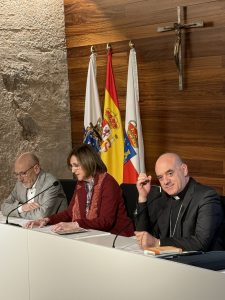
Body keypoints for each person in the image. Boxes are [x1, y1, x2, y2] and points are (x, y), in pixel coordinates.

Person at [25, 144, 134, 236]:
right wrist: (45, 220)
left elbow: (105, 221)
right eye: (71, 166)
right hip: (91, 235)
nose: (73, 170)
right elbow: (69, 213)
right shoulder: (81, 184)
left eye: (76, 165)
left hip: (117, 237)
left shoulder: (108, 183)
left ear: (88, 162)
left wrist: (75, 224)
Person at [135, 153, 225, 251]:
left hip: (202, 262)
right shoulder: (163, 198)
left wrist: (158, 243)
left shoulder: (206, 196)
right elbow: (145, 238)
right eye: (160, 177)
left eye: (170, 173)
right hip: (170, 259)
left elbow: (201, 243)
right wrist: (142, 197)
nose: (165, 182)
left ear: (184, 170)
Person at [1, 152, 67, 219]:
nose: (20, 179)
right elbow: (3, 207)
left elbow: (42, 215)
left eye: (23, 173)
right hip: (25, 225)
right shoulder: (19, 184)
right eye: (17, 174)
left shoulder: (51, 184)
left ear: (36, 169)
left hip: (51, 227)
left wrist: (16, 212)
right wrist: (22, 208)